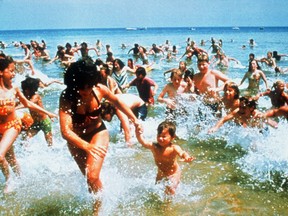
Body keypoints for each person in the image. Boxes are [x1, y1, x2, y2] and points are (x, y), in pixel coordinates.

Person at [59, 59, 142, 195]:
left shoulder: (100, 89)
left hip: (97, 132)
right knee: (89, 179)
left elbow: (117, 102)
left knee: (92, 176)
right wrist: (87, 146)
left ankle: (99, 210)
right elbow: (65, 131)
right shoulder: (67, 97)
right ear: (74, 84)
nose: (86, 91)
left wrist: (135, 119)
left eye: (89, 86)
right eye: (81, 87)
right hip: (76, 139)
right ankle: (100, 201)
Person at [0, 55, 57, 193]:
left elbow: (28, 104)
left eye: (14, 71)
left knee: (0, 156)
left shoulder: (14, 89)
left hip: (12, 126)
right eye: (11, 71)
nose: (14, 74)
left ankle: (9, 180)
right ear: (1, 72)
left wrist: (47, 112)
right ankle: (21, 178)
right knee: (10, 157)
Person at [135, 120, 195, 195]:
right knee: (156, 191)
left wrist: (187, 157)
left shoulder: (174, 148)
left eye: (164, 136)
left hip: (174, 173)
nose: (160, 138)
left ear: (172, 137)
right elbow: (143, 142)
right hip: (161, 172)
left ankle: (168, 206)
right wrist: (138, 134)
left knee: (171, 189)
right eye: (159, 135)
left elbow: (182, 152)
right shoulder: (154, 146)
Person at [208, 97, 278, 133]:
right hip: (250, 131)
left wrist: (275, 126)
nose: (241, 109)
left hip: (262, 132)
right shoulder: (237, 112)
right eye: (240, 107)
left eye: (244, 108)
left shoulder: (257, 115)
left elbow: (271, 123)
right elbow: (223, 119)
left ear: (251, 108)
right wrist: (215, 128)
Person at [19, 77, 54, 146]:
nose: (24, 91)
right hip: (36, 123)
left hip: (45, 122)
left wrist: (16, 108)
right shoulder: (27, 96)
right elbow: (20, 102)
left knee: (49, 143)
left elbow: (28, 104)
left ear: (29, 90)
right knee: (26, 139)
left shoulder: (36, 96)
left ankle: (53, 153)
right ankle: (25, 153)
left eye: (25, 90)